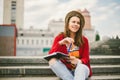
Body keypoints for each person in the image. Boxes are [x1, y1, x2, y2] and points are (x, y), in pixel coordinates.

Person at [48, 10, 92, 80]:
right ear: (68, 23)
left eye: (78, 23)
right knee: (52, 60)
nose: (76, 24)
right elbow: (50, 55)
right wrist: (60, 43)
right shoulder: (60, 37)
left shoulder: (84, 40)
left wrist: (78, 61)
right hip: (66, 71)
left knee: (81, 67)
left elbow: (86, 58)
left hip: (82, 70)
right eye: (73, 22)